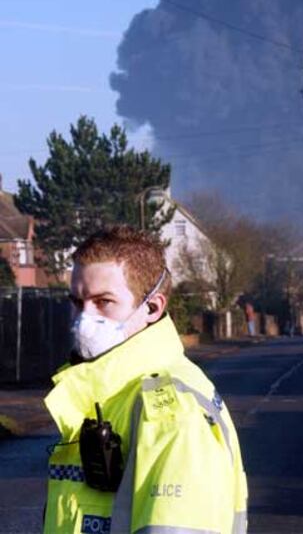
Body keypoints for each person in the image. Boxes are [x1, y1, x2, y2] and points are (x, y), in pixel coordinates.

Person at [43, 225, 247, 534]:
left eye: (103, 302)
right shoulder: (111, 391)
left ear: (152, 307)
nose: (84, 320)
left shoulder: (171, 411)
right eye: (77, 302)